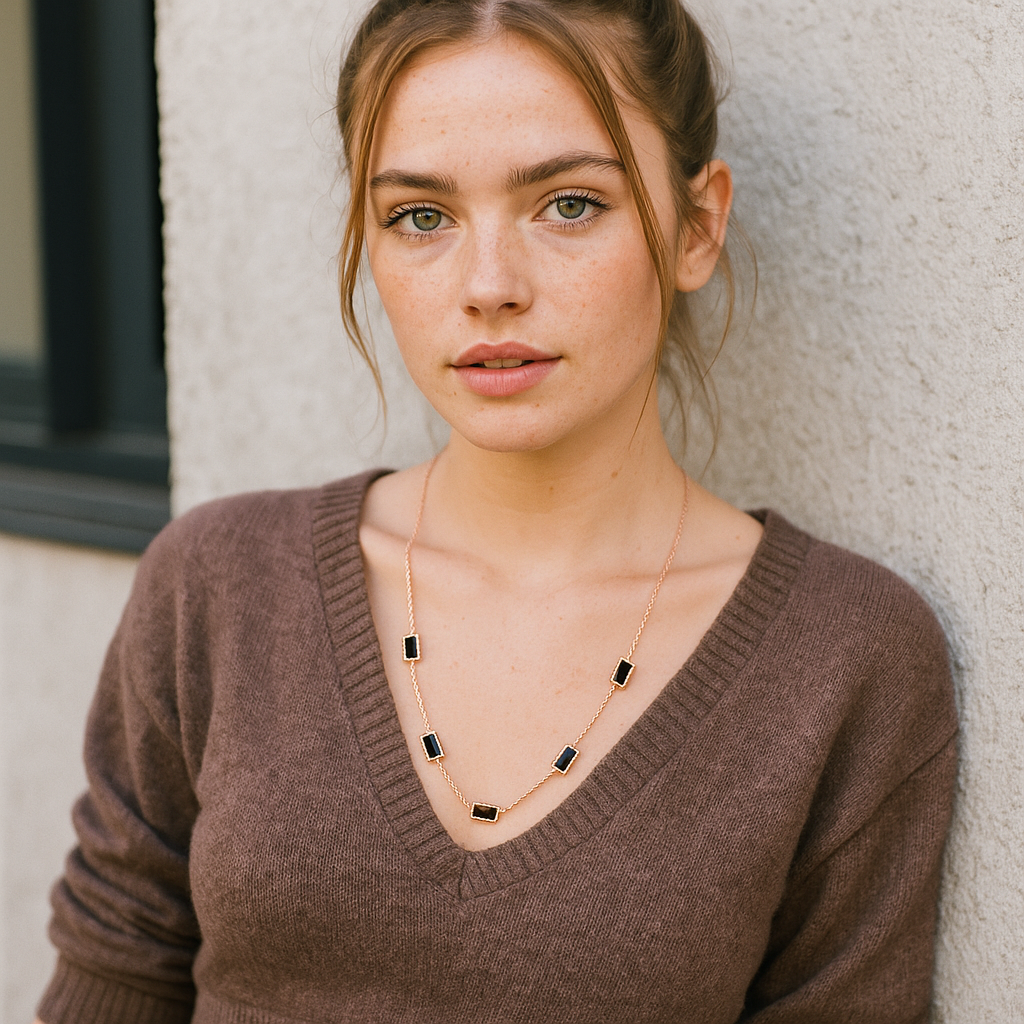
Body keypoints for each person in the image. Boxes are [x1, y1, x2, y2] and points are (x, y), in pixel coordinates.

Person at [34, 0, 958, 1021]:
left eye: (567, 204)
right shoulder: (216, 585)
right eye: (419, 216)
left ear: (696, 227)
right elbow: (111, 980)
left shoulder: (841, 657)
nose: (488, 286)